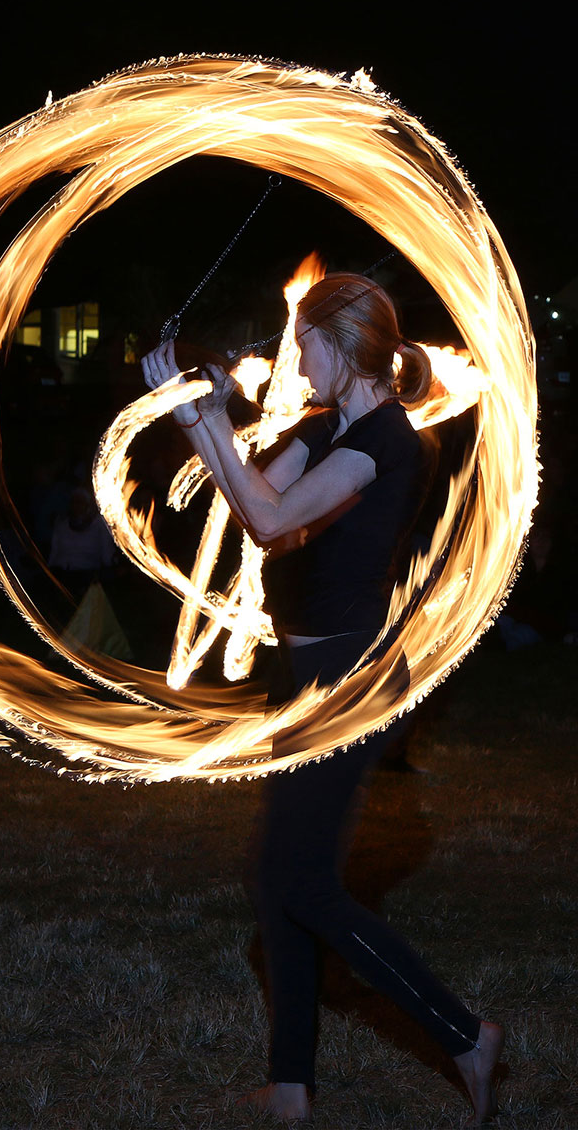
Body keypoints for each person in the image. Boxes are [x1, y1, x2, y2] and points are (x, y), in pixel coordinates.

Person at [142, 273, 504, 1126]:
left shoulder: (386, 439)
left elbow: (272, 521)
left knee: (302, 884)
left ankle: (465, 1033)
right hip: (302, 678)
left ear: (342, 345)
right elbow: (256, 502)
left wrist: (198, 418)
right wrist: (211, 410)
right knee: (278, 883)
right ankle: (292, 1088)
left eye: (302, 340)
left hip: (348, 680)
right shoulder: (324, 427)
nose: (291, 357)